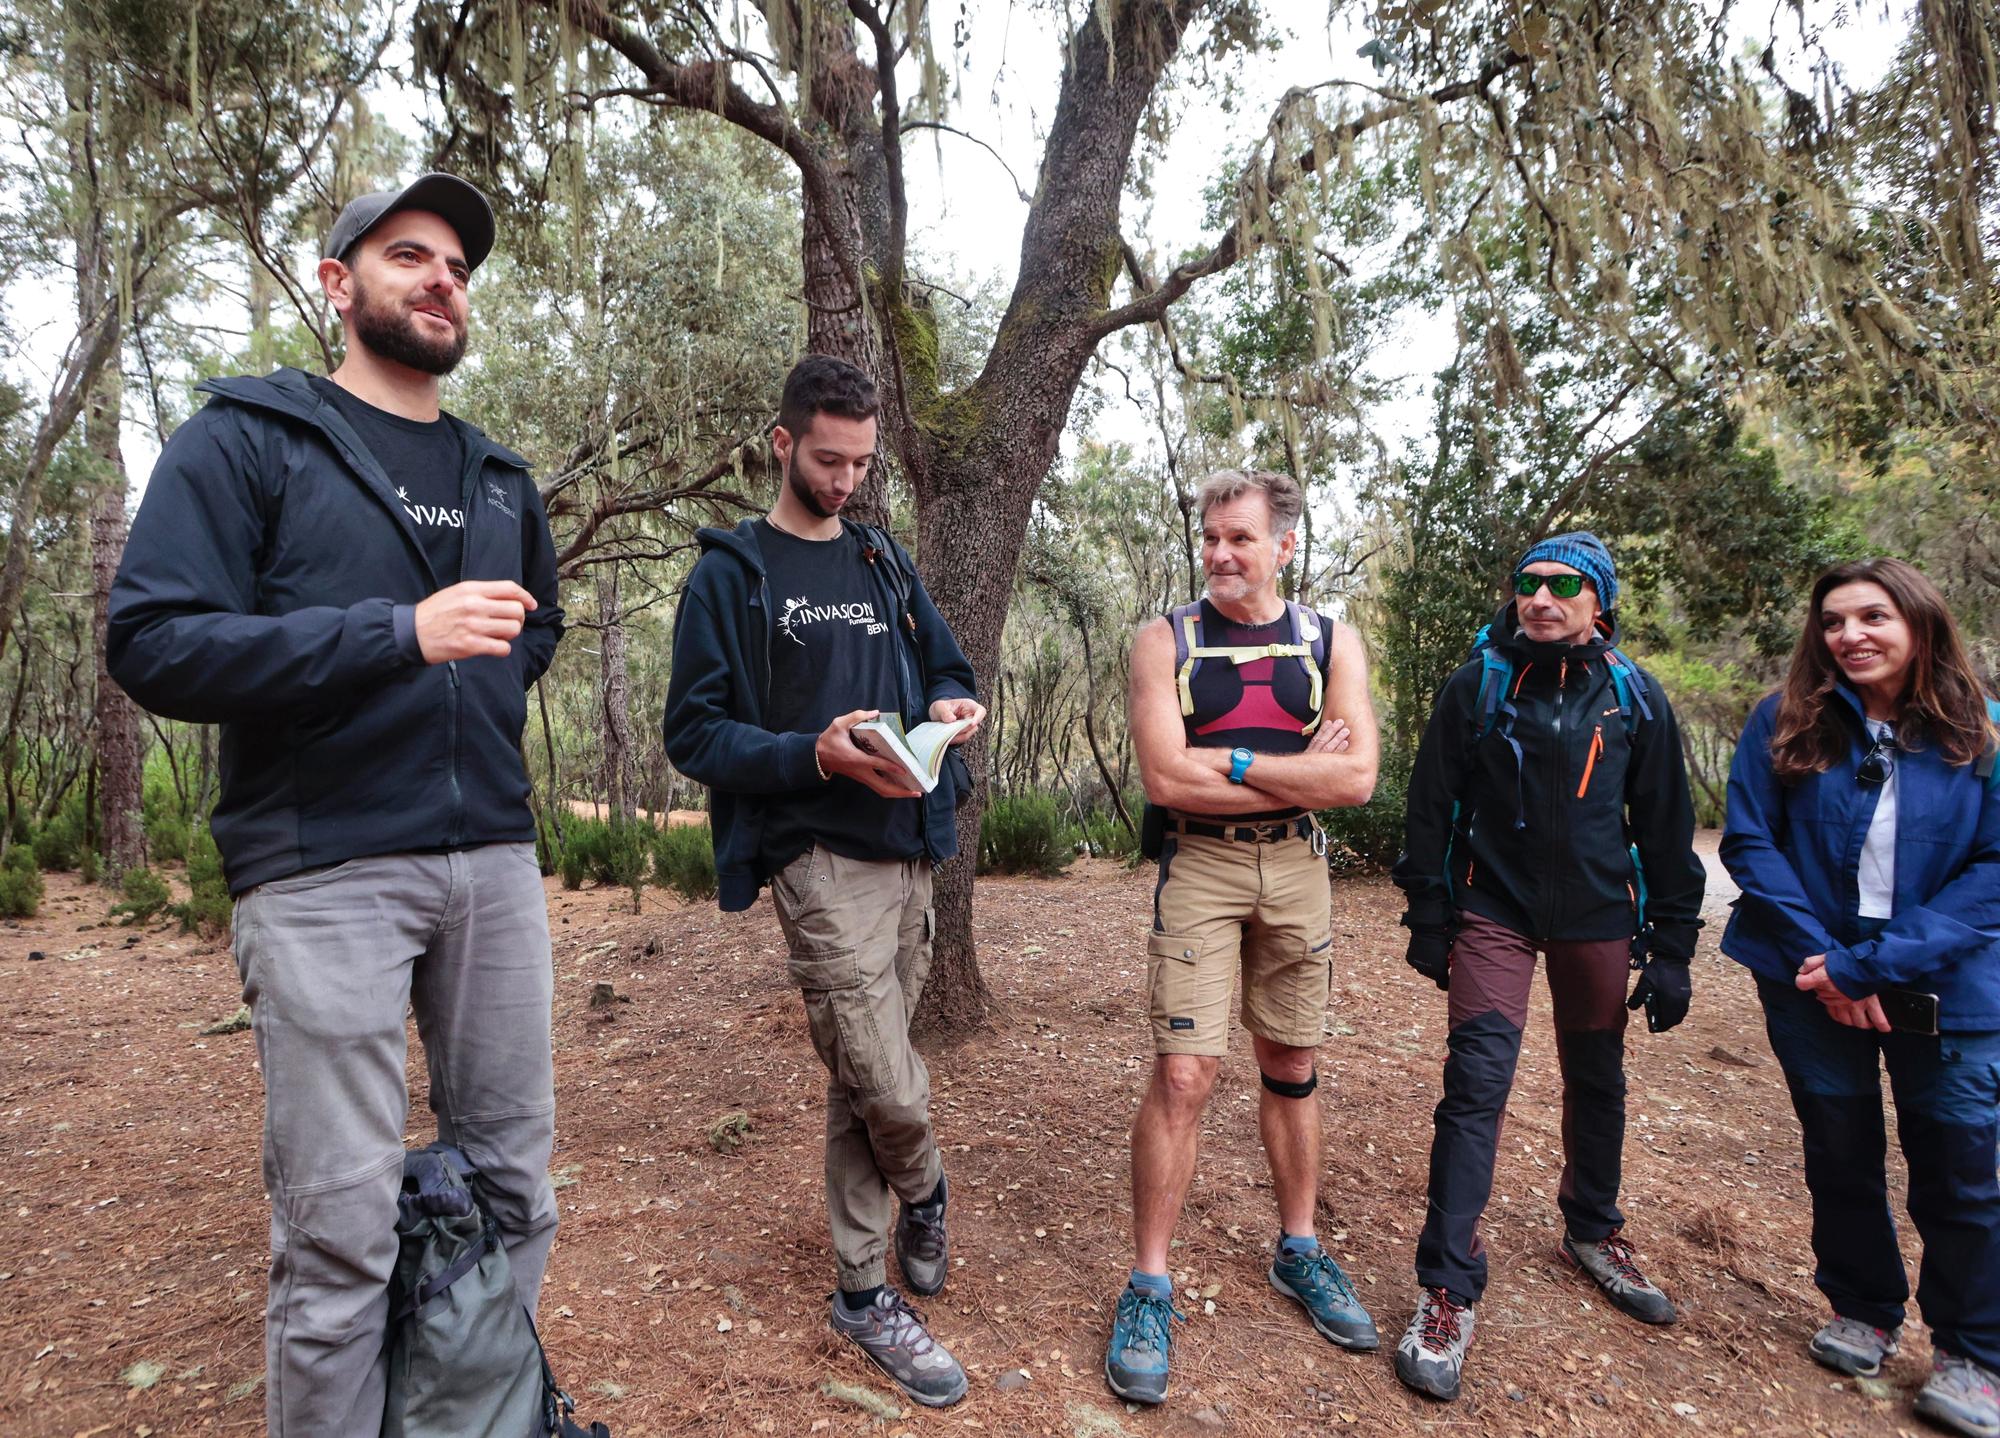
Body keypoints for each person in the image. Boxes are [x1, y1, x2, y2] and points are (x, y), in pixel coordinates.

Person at [106, 174, 565, 1435]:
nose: (440, 279)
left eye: (458, 266)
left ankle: (472, 1415)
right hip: (321, 876)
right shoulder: (247, 438)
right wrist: (396, 636)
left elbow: (540, 627)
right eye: (408, 254)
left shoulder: (497, 477)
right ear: (336, 282)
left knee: (518, 1191)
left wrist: (487, 680)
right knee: (341, 1235)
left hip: (492, 867)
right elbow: (155, 641)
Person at [661, 354, 984, 1409]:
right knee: (883, 1073)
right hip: (813, 851)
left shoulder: (883, 562)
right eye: (828, 459)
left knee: (860, 1069)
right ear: (782, 444)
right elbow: (694, 732)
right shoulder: (732, 573)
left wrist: (946, 712)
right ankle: (926, 1186)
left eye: (860, 463)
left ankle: (859, 1289)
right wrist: (812, 752)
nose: (844, 481)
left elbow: (947, 668)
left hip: (907, 843)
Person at [1389, 532, 1705, 1402]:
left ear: (1598, 600)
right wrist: (1428, 911)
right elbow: (1430, 802)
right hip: (1496, 908)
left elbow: (1667, 826)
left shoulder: (1634, 696)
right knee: (1476, 1084)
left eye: (1563, 585)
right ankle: (1448, 1289)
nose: (1541, 598)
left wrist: (1674, 946)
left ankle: (1594, 1228)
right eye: (1529, 583)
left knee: (1597, 1078)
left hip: (1602, 916)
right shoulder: (1482, 683)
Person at [1104, 468, 1379, 1406]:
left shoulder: (1331, 641)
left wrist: (1228, 757)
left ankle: (1299, 1250)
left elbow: (1357, 783)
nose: (1222, 554)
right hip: (1202, 867)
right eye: (1212, 537)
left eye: (1242, 539)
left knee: (1292, 1063)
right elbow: (1166, 782)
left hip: (1298, 868)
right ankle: (1149, 1284)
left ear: (1284, 547)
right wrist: (1293, 765)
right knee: (1185, 1073)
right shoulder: (1163, 642)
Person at [1720, 557, 2000, 1438]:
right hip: (1810, 981)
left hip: (1949, 991)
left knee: (1962, 1168)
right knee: (1839, 1149)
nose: (1851, 636)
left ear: (1920, 622)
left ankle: (1973, 1351)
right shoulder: (1786, 721)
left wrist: (1875, 964)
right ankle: (1865, 1306)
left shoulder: (1981, 732)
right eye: (1835, 621)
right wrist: (1826, 962)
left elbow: (1993, 872)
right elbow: (1750, 841)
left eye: (1873, 616)